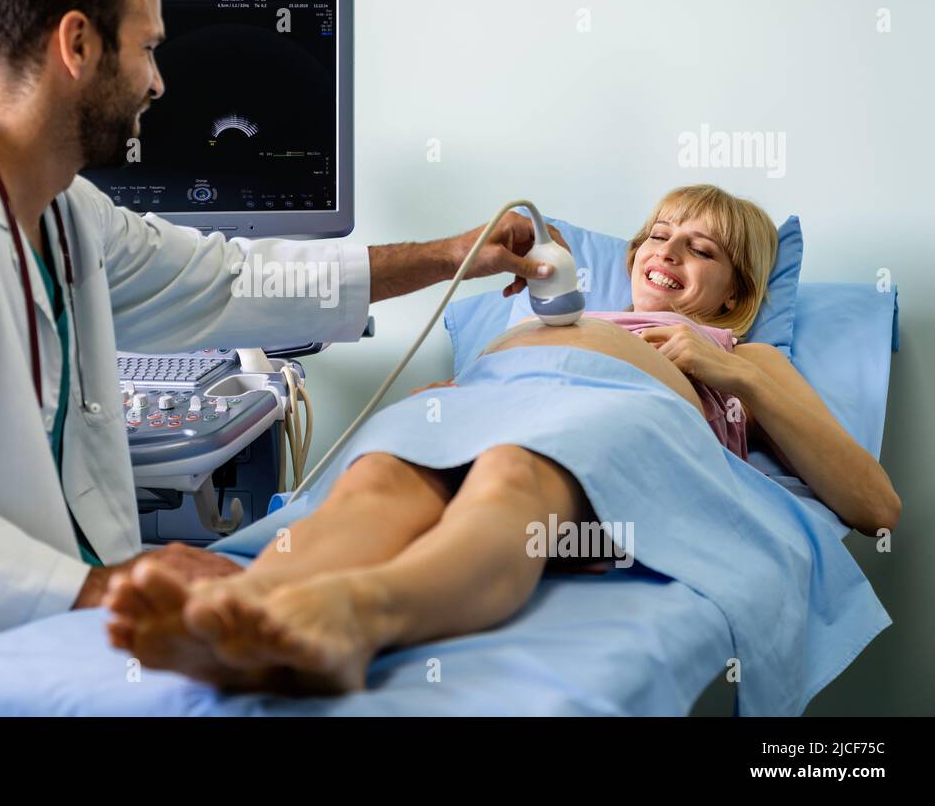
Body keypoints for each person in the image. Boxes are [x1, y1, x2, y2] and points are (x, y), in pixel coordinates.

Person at [0, 0, 562, 715]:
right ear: (77, 45)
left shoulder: (70, 214)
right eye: (147, 48)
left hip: (52, 649)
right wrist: (102, 586)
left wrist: (450, 256)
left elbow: (237, 280)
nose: (159, 81)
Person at [104, 184, 902, 695]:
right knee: (378, 476)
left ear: (738, 296)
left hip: (613, 424)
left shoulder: (745, 357)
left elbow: (876, 506)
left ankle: (359, 618)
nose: (669, 253)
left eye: (704, 250)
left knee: (514, 481)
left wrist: (729, 373)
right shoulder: (564, 314)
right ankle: (240, 611)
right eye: (659, 235)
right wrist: (456, 396)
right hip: (489, 405)